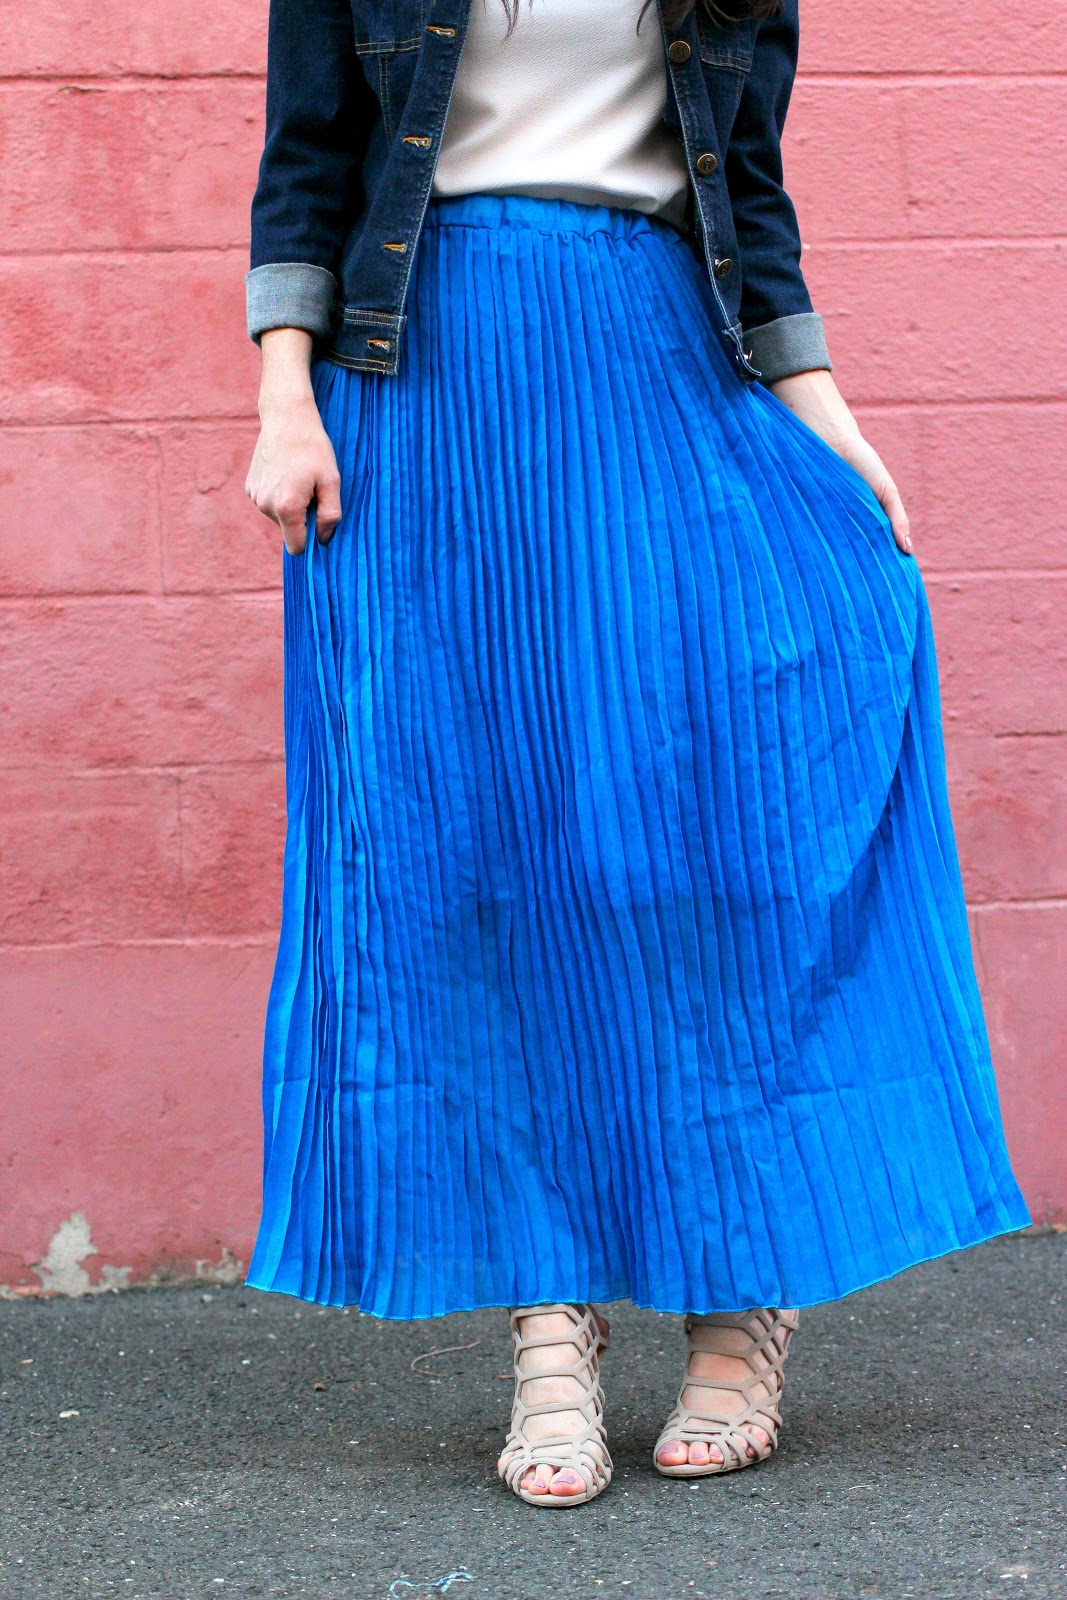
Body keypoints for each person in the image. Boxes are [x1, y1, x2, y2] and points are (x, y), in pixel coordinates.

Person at [242, 0, 1030, 1508]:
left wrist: (833, 426)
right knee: (488, 855)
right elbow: (308, 162)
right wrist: (286, 399)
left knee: (718, 832)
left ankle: (745, 1292)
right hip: (426, 387)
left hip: (664, 358)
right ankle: (553, 1316)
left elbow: (751, 196)